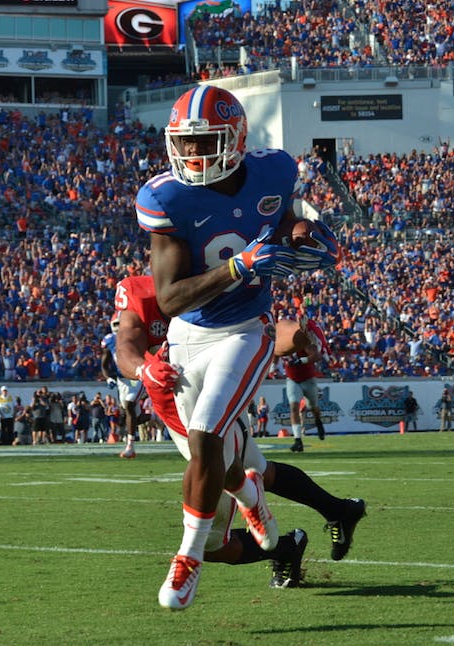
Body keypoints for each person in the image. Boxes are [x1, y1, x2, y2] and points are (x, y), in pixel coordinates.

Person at [133, 85, 340, 610]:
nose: (194, 154)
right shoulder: (166, 197)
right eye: (186, 143)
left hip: (246, 329)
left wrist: (304, 232)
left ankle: (189, 557)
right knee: (219, 462)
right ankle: (254, 503)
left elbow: (290, 215)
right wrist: (238, 266)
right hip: (188, 336)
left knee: (206, 435)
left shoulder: (272, 170)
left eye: (206, 141)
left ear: (236, 138)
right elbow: (172, 298)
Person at [114, 273, 366, 600]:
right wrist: (142, 368)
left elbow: (267, 331)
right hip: (179, 418)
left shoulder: (214, 284)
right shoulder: (142, 290)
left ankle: (285, 544)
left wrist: (301, 336)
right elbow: (126, 346)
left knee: (212, 543)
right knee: (258, 470)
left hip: (217, 408)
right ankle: (335, 513)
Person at [281, 314, 332, 452]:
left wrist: (301, 360)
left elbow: (317, 356)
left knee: (313, 407)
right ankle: (298, 440)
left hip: (308, 379)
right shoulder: (280, 342)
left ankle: (318, 421)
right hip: (292, 379)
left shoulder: (302, 340)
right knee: (293, 407)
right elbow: (274, 353)